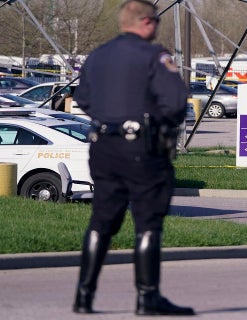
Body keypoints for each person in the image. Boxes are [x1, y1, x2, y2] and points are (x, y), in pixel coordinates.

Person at [71, 0, 194, 316]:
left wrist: (109, 116)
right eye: (156, 22)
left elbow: (82, 99)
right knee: (148, 222)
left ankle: (84, 297)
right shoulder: (154, 56)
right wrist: (155, 125)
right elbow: (176, 102)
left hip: (102, 147)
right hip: (142, 148)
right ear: (146, 22)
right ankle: (147, 298)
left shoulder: (97, 56)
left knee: (102, 219)